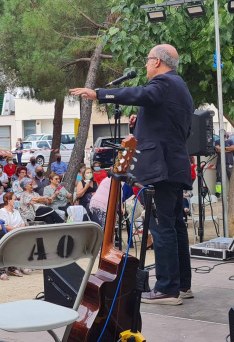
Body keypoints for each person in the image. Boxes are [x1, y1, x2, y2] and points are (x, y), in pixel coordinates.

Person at [71, 43, 194, 305]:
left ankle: (167, 289)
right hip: (174, 165)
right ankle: (182, 285)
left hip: (161, 168)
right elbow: (170, 128)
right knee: (175, 226)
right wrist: (139, 131)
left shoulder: (163, 83)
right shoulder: (180, 87)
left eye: (148, 59)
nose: (146, 64)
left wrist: (100, 94)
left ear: (158, 62)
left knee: (161, 228)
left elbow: (140, 94)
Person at [0, 192, 31, 277]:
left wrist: (19, 229)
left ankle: (22, 265)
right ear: (8, 200)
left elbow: (22, 223)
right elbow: (3, 226)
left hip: (18, 233)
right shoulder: (2, 211)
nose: (16, 201)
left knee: (28, 240)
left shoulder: (16, 211)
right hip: (8, 234)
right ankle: (13, 267)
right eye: (15, 199)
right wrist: (16, 229)